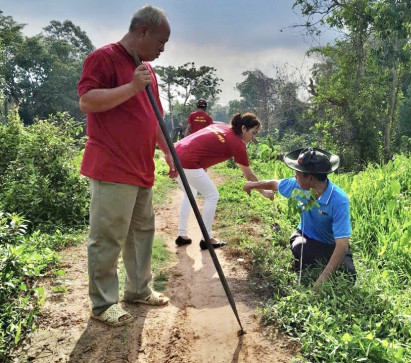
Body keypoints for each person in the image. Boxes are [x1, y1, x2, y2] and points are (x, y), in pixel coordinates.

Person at [77, 5, 177, 327]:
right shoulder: (103, 58)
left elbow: (155, 118)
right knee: (108, 237)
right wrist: (132, 87)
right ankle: (103, 303)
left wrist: (168, 151)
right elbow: (87, 101)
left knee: (141, 234)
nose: (162, 49)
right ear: (143, 32)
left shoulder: (148, 71)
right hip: (111, 165)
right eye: (161, 41)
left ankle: (138, 290)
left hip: (141, 167)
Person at [243, 147, 356, 290]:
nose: (295, 176)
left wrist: (321, 281)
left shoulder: (338, 200)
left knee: (349, 276)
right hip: (307, 237)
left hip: (330, 244)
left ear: (310, 177)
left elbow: (342, 244)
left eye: (297, 173)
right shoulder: (297, 186)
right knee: (300, 248)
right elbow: (274, 184)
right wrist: (252, 185)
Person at [174, 112, 273, 249]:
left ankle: (182, 235)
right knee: (212, 195)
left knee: (190, 192)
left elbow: (201, 144)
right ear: (243, 129)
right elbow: (249, 176)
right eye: (253, 133)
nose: (253, 138)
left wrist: (201, 164)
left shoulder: (222, 127)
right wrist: (265, 193)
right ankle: (206, 239)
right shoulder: (237, 144)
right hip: (187, 160)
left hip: (175, 152)